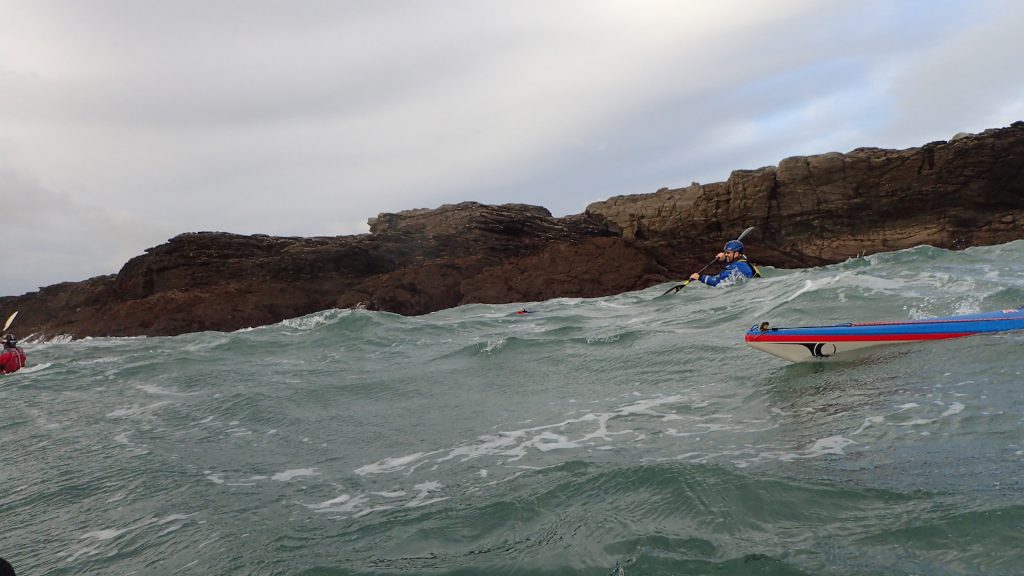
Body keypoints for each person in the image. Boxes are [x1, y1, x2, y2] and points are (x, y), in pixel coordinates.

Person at [689, 240, 761, 287]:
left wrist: (700, 277)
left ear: (736, 253)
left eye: (728, 252)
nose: (725, 254)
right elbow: (731, 265)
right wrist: (724, 259)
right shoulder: (741, 259)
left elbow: (719, 283)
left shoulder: (738, 266)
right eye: (725, 252)